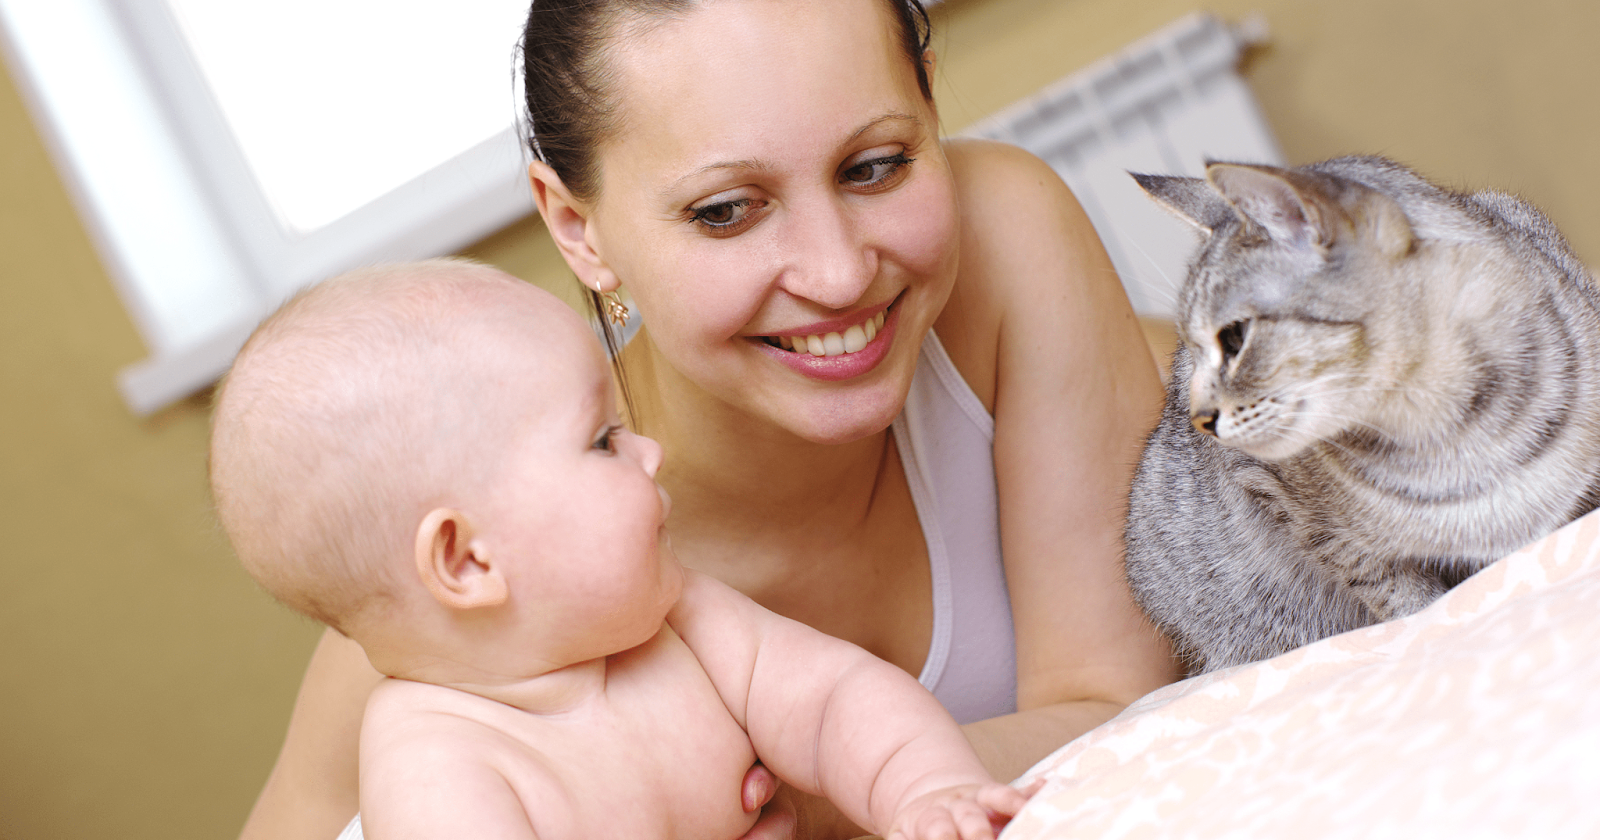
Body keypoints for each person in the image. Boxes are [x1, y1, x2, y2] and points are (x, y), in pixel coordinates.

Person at [235, 1, 1179, 838]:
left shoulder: (1006, 232)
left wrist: (787, 802)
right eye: (726, 211)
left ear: (929, 98)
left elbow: (1125, 710)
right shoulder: (453, 613)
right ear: (576, 228)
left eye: (875, 167)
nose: (839, 274)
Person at [210, 261, 1035, 840]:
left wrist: (926, 790)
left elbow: (834, 703)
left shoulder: (678, 619)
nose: (649, 452)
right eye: (603, 441)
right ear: (467, 562)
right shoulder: (437, 767)